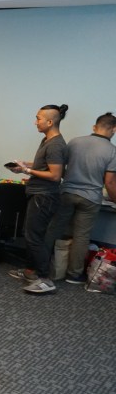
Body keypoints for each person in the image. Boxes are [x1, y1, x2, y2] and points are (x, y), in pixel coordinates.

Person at [44, 112, 116, 284]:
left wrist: (70, 179)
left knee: (54, 229)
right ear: (114, 130)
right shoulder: (112, 151)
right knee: (81, 236)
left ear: (94, 127)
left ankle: (41, 265)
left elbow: (59, 168)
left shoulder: (75, 142)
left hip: (67, 193)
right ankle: (73, 274)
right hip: (90, 198)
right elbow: (109, 182)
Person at [6, 105, 68, 294]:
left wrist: (26, 171)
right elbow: (45, 165)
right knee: (30, 234)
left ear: (50, 122)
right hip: (38, 194)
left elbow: (55, 175)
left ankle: (45, 279)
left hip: (44, 196)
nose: (35, 122)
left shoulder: (56, 145)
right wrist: (25, 164)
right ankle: (30, 272)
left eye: (38, 118)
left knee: (34, 237)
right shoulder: (47, 140)